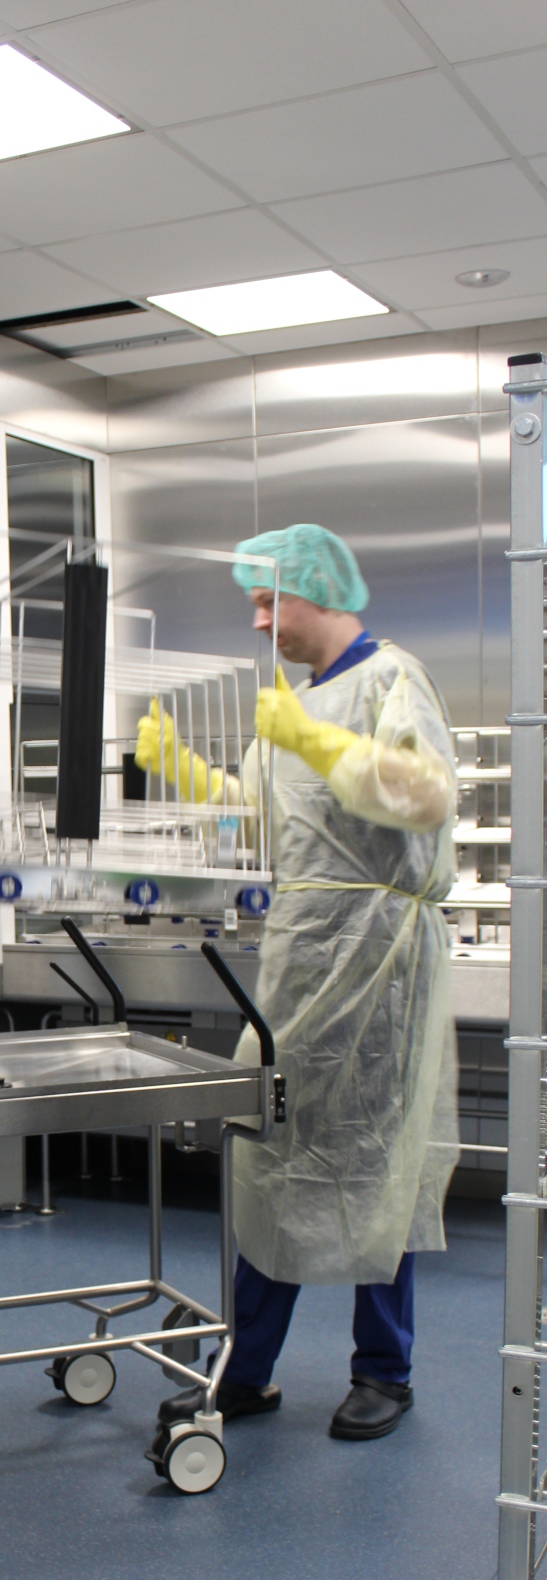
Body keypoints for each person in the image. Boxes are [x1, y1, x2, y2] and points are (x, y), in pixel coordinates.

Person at [137, 523, 458, 1440]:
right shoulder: (292, 702)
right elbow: (262, 823)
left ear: (321, 592)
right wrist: (189, 775)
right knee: (268, 1150)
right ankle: (248, 1368)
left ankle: (385, 1372)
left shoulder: (389, 679)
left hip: (380, 962)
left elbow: (425, 795)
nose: (258, 619)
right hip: (301, 957)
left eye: (270, 599)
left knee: (372, 1159)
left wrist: (312, 744)